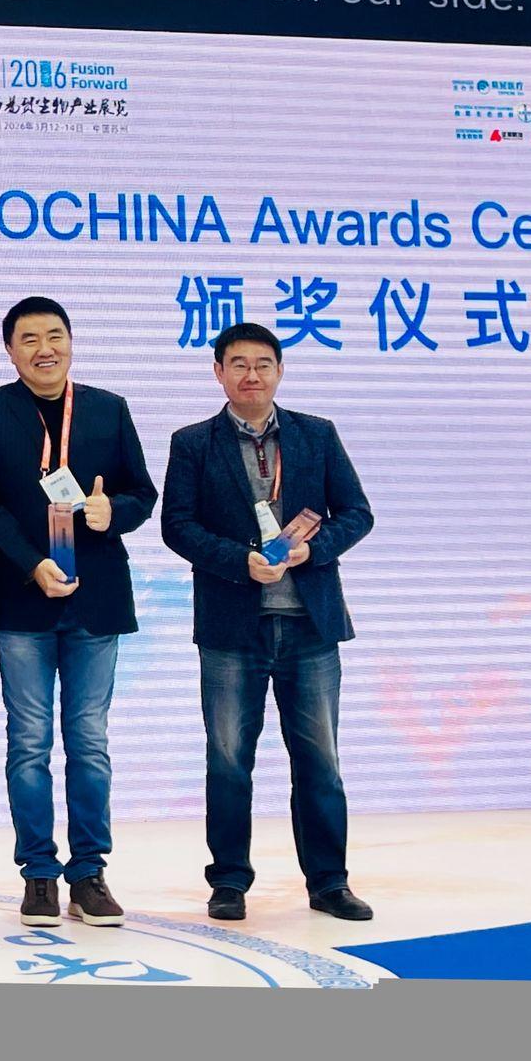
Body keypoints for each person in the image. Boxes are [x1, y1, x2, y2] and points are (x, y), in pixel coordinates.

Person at [160, 322, 376, 923]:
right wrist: (239, 561)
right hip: (233, 627)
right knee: (229, 760)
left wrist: (313, 549)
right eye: (238, 364)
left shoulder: (316, 434)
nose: (250, 375)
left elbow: (357, 513)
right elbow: (177, 525)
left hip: (310, 626)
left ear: (279, 371)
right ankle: (229, 881)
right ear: (218, 372)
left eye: (262, 364)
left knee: (320, 760)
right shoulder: (193, 442)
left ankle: (329, 883)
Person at [0, 297, 157, 928]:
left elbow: (142, 493)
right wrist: (30, 564)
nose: (44, 349)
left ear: (70, 341)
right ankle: (39, 874)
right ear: (9, 350)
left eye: (55, 336)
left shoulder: (108, 408)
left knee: (90, 741)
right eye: (29, 339)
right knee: (29, 740)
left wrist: (111, 513)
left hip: (96, 597)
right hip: (22, 599)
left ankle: (89, 873)